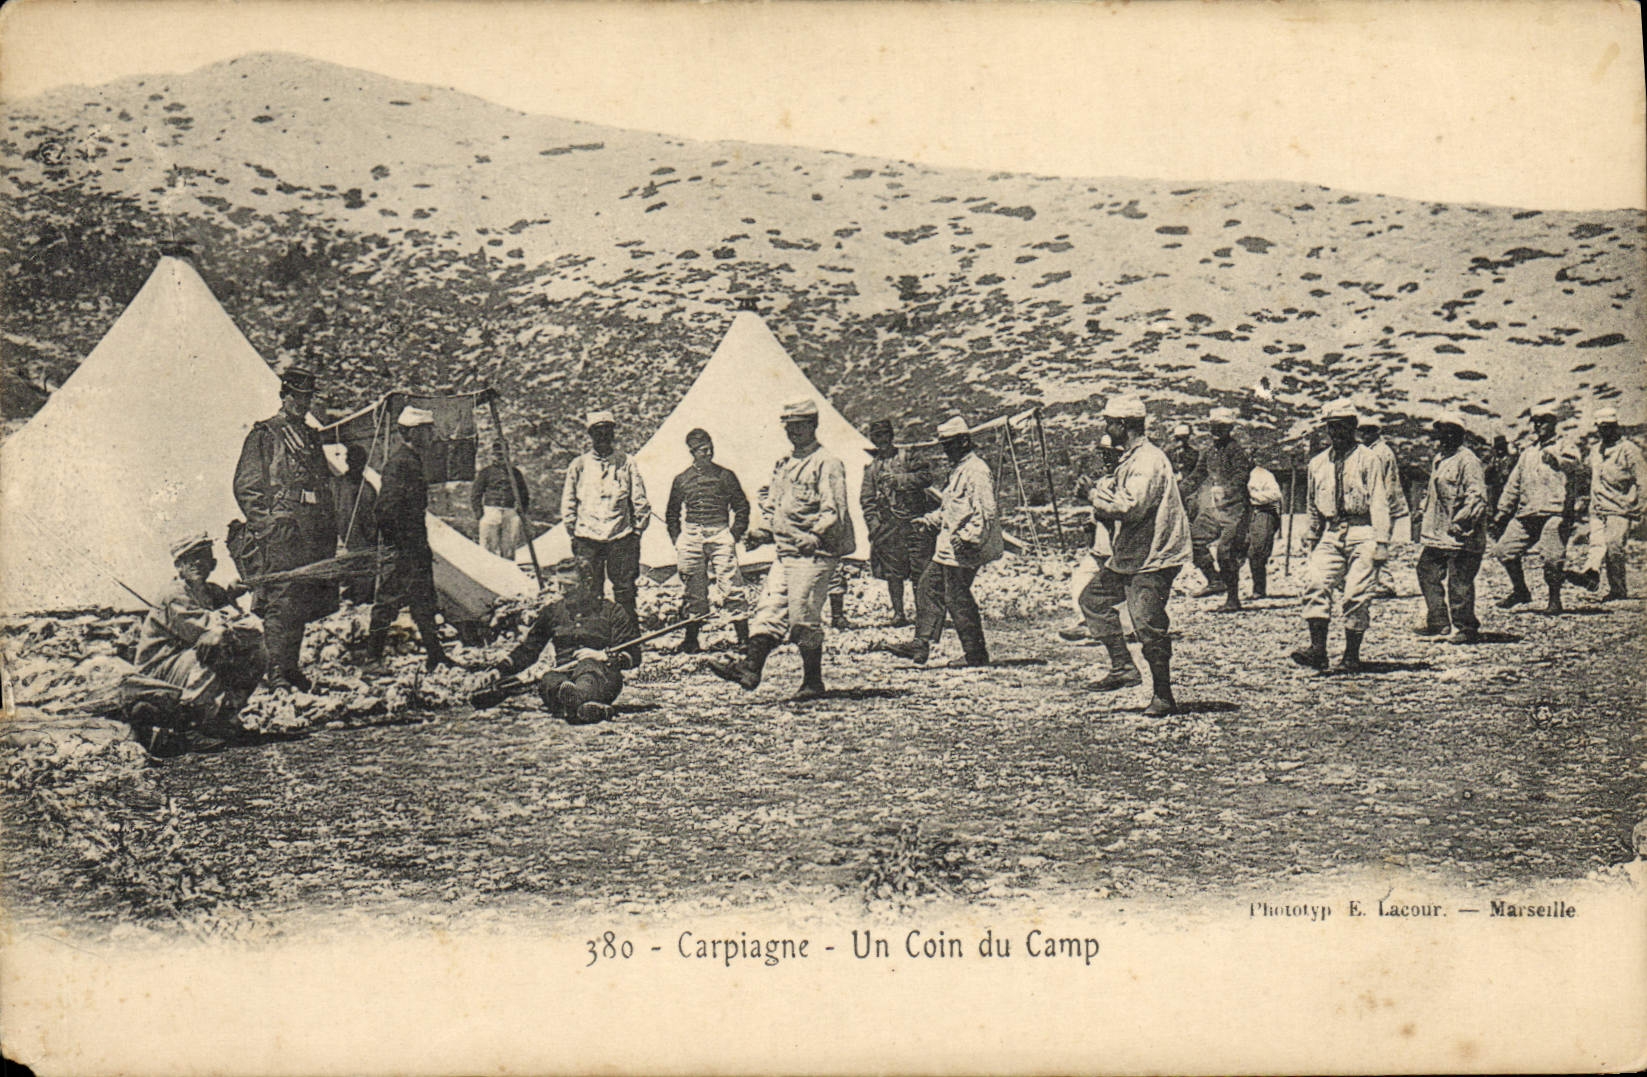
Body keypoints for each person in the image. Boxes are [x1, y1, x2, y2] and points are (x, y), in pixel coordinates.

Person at [707, 398, 855, 701]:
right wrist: (761, 533)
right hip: (785, 553)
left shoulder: (826, 462)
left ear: (813, 426)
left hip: (815, 554)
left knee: (803, 617)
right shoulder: (784, 464)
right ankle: (751, 669)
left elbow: (834, 510)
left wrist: (815, 535)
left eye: (800, 426)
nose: (793, 432)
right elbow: (774, 506)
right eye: (789, 427)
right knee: (769, 611)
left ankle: (813, 681)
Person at [1079, 394, 1191, 716]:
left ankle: (1163, 696)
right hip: (1132, 553)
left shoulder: (1147, 460)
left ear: (1122, 424)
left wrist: (1092, 495)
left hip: (1154, 556)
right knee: (1094, 600)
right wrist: (1098, 494)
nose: (1106, 428)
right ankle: (1123, 668)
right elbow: (1120, 498)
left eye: (1109, 423)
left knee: (1147, 624)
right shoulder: (1131, 459)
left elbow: (1130, 507)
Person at [233, 364, 338, 692]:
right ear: (285, 396)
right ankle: (276, 671)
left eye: (307, 397)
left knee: (302, 599)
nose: (303, 403)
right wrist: (267, 526)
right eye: (297, 397)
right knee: (281, 599)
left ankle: (291, 667)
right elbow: (247, 486)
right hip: (283, 528)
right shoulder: (266, 434)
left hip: (311, 527)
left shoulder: (310, 436)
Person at [885, 416, 1003, 667]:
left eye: (950, 445)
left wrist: (969, 538)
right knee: (928, 587)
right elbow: (952, 509)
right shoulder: (959, 470)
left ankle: (975, 654)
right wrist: (928, 520)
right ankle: (921, 644)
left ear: (964, 441)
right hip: (949, 549)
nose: (946, 450)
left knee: (957, 598)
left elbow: (986, 511)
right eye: (944, 445)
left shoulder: (976, 471)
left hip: (965, 549)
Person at [130, 534, 265, 753]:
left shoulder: (213, 592)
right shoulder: (174, 594)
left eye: (203, 557)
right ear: (178, 566)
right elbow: (206, 631)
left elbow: (250, 629)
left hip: (184, 667)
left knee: (256, 651)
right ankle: (187, 727)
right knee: (214, 649)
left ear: (213, 563)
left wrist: (229, 600)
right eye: (188, 559)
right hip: (157, 674)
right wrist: (223, 628)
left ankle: (221, 721)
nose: (197, 563)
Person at [1290, 399, 1392, 673]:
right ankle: (1318, 651)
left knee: (1356, 594)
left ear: (1353, 427)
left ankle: (1351, 656)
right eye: (1332, 427)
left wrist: (1382, 542)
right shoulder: (1318, 463)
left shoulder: (1368, 459)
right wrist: (1312, 537)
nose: (1337, 432)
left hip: (1363, 530)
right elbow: (1313, 505)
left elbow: (1379, 501)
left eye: (1343, 426)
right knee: (1315, 582)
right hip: (1332, 531)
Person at [485, 559, 642, 724]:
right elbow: (529, 649)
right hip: (564, 675)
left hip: (602, 678)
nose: (562, 591)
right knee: (549, 680)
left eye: (569, 586)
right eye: (559, 585)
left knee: (588, 666)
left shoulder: (611, 611)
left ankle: (575, 702)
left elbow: (633, 655)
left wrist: (604, 656)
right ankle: (587, 709)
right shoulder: (552, 612)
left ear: (587, 583)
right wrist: (500, 669)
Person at [366, 406, 458, 671]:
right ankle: (372, 658)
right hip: (405, 547)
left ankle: (435, 655)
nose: (431, 435)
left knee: (423, 601)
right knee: (388, 601)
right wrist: (399, 544)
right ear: (412, 433)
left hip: (415, 546)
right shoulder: (400, 463)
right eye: (426, 430)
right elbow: (385, 509)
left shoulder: (411, 460)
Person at [666, 428, 751, 653]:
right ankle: (691, 640)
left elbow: (742, 507)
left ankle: (744, 639)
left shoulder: (726, 476)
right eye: (702, 450)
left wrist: (733, 535)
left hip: (720, 532)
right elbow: (672, 514)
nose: (708, 453)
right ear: (692, 452)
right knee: (693, 588)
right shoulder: (682, 479)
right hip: (691, 535)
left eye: (710, 448)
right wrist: (678, 540)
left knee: (731, 584)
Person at [561, 409, 650, 622]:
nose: (603, 437)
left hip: (621, 538)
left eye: (607, 431)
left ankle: (627, 633)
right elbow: (568, 503)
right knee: (590, 590)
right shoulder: (579, 465)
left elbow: (639, 500)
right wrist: (574, 533)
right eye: (597, 432)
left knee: (625, 590)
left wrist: (637, 532)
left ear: (613, 434)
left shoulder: (626, 462)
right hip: (587, 538)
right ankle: (595, 632)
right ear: (590, 435)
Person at [1491, 405, 1580, 614]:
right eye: (1536, 422)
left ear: (1553, 423)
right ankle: (1520, 591)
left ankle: (1554, 600)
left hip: (1555, 512)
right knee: (1504, 550)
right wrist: (1502, 510)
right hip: (1527, 513)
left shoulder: (1564, 445)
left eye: (1544, 421)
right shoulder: (1528, 452)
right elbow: (1514, 483)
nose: (1539, 425)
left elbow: (1576, 465)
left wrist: (1558, 461)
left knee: (1552, 557)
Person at [1413, 412, 1489, 644]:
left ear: (1460, 435)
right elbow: (1433, 491)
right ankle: (1438, 621)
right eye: (1442, 432)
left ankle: (1466, 628)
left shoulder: (1468, 461)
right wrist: (1422, 509)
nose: (1445, 437)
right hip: (1438, 533)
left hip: (1462, 534)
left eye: (1451, 432)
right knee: (1426, 570)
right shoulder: (1440, 458)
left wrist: (1461, 522)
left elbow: (1477, 497)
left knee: (1460, 582)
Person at [861, 417, 938, 627]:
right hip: (889, 526)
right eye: (876, 436)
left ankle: (924, 613)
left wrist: (900, 480)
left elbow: (926, 477)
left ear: (891, 436)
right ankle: (898, 613)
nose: (881, 440)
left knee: (920, 569)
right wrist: (874, 526)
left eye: (884, 435)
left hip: (914, 521)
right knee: (893, 572)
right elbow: (867, 500)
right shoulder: (871, 468)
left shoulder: (908, 456)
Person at [1569, 406, 1643, 601]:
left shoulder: (1629, 450)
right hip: (1598, 507)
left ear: (1616, 426)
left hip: (1620, 508)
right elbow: (1585, 473)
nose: (1605, 431)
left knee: (1614, 546)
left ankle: (1618, 590)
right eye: (1601, 427)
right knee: (1597, 544)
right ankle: (1591, 574)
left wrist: (1641, 508)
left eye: (1609, 427)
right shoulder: (1596, 450)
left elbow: (1643, 480)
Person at [1185, 406, 1253, 611]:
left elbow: (1242, 475)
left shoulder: (1236, 451)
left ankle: (1233, 598)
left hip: (1235, 510)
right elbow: (1197, 476)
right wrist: (1177, 491)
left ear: (1229, 428)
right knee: (1193, 540)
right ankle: (1215, 580)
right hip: (1215, 509)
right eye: (1213, 426)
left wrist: (1227, 489)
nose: (1216, 431)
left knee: (1226, 553)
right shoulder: (1209, 452)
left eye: (1221, 427)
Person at [1358, 415, 1411, 599]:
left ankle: (1386, 583)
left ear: (1376, 432)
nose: (1364, 435)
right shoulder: (1373, 450)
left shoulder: (1379, 453)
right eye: (1362, 431)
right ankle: (1376, 582)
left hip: (1384, 506)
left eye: (1368, 431)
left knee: (1378, 543)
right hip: (1382, 504)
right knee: (1373, 543)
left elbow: (1380, 484)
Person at [333, 442, 378, 605]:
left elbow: (371, 520)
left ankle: (358, 595)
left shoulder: (366, 489)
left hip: (358, 541)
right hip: (346, 540)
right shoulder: (338, 485)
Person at [471, 439, 531, 559]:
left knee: (509, 549)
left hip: (510, 512)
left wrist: (521, 512)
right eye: (497, 454)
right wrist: (480, 514)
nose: (500, 457)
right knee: (488, 549)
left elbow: (524, 494)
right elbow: (476, 494)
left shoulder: (515, 473)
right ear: (493, 455)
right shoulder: (486, 472)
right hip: (491, 511)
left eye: (503, 454)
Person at [1245, 461, 1284, 598]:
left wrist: (1251, 495)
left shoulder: (1262, 474)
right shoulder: (1233, 474)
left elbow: (1276, 494)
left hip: (1263, 512)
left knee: (1258, 552)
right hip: (1243, 514)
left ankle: (1259, 589)